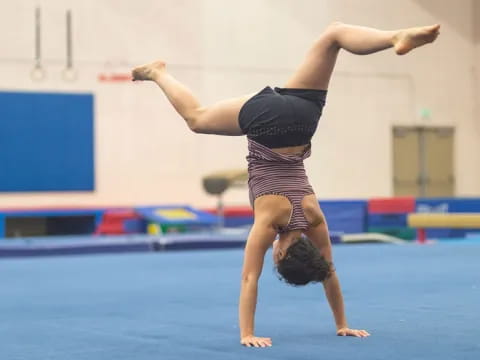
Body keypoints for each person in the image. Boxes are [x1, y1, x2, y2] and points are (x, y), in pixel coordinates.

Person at [132, 22, 440, 348]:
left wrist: (343, 324)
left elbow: (329, 272)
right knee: (197, 118)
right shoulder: (268, 223)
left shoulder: (315, 217)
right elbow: (250, 278)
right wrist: (246, 334)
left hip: (303, 119)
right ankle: (157, 72)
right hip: (267, 123)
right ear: (278, 254)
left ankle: (394, 38)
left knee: (333, 36)